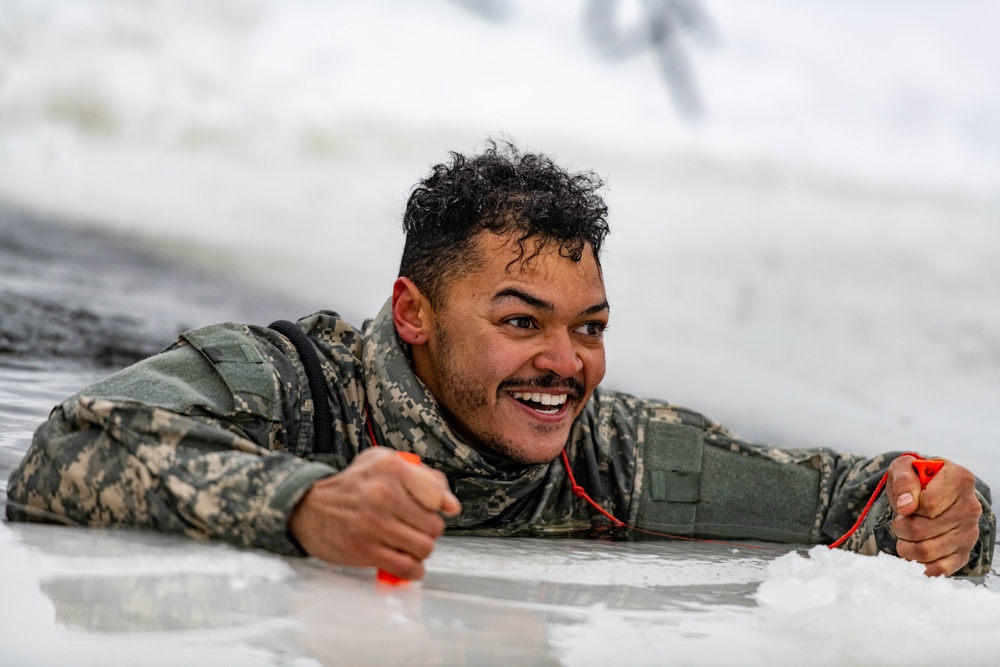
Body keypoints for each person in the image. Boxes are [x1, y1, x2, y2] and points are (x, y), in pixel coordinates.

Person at [6, 140, 994, 580]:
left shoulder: (615, 453)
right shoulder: (285, 384)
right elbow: (60, 456)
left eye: (591, 327)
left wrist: (949, 512)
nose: (565, 363)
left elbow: (849, 498)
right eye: (523, 322)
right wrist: (306, 507)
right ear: (415, 312)